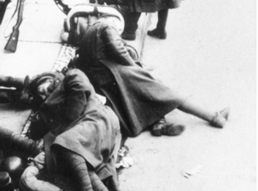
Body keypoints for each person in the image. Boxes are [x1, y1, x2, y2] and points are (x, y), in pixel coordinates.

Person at [75, 20, 230, 139]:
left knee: (149, 95)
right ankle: (213, 117)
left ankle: (159, 124)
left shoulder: (87, 37)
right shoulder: (106, 27)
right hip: (115, 74)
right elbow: (120, 50)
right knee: (164, 92)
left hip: (101, 79)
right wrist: (137, 69)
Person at [27, 69, 133, 191]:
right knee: (75, 163)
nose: (43, 95)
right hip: (86, 134)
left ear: (51, 79)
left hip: (97, 120)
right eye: (39, 96)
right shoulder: (52, 107)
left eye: (42, 89)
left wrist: (67, 118)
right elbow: (35, 132)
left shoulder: (70, 77)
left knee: (66, 142)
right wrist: (42, 110)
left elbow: (80, 87)